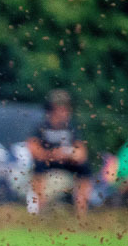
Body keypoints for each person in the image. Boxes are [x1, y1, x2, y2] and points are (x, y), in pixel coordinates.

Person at [26, 89, 90, 218]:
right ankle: (40, 209)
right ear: (51, 109)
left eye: (66, 108)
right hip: (47, 162)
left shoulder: (71, 128)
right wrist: (52, 154)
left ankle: (81, 211)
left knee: (85, 168)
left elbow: (82, 152)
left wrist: (72, 154)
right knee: (38, 166)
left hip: (68, 163)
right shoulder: (41, 127)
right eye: (59, 108)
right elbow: (33, 148)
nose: (64, 112)